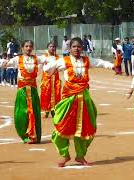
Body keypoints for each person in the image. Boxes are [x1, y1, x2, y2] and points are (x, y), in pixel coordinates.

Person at [43, 37, 113, 167]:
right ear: (70, 48)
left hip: (84, 99)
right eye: (74, 46)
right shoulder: (64, 61)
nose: (76, 49)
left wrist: (113, 65)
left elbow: (100, 62)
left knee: (86, 127)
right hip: (69, 99)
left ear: (82, 48)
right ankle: (65, 155)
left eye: (79, 46)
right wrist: (49, 67)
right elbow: (47, 69)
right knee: (60, 124)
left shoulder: (86, 60)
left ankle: (80, 156)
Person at [5, 40, 46, 144]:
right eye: (26, 46)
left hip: (33, 90)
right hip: (22, 90)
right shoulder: (17, 59)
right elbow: (5, 64)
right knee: (21, 114)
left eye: (30, 46)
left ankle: (34, 136)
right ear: (22, 48)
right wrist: (3, 63)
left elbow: (49, 59)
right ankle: (24, 135)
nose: (28, 48)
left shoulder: (37, 59)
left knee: (34, 113)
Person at [40, 42, 61, 118]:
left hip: (56, 79)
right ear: (47, 48)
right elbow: (39, 65)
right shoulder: (44, 57)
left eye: (53, 46)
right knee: (46, 94)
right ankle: (46, 110)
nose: (52, 48)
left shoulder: (58, 58)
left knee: (56, 94)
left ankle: (54, 110)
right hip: (46, 80)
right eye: (50, 46)